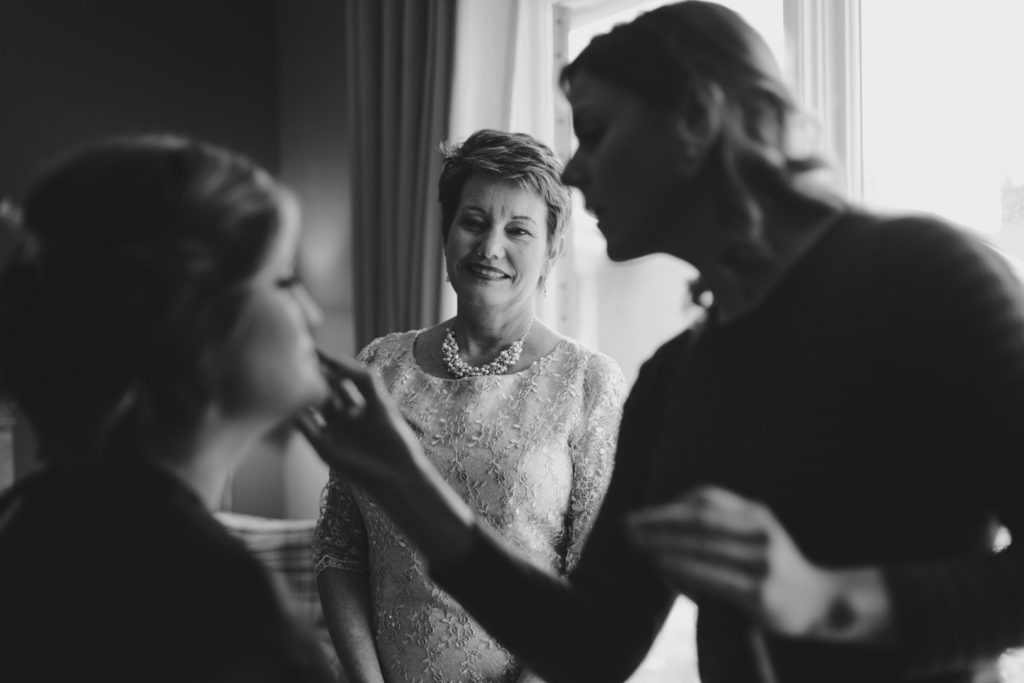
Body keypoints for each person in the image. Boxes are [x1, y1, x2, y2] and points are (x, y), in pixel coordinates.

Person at [297, 3, 1024, 682]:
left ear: (695, 120)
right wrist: (405, 481)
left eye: (598, 131)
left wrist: (830, 599)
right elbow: (592, 647)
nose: (575, 172)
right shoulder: (679, 377)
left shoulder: (929, 277)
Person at [0, 135, 337, 682]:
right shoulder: (217, 607)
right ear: (196, 324)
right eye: (282, 280)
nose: (313, 312)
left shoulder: (32, 525)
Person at [311, 128, 627, 683]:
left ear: (551, 248)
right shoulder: (381, 365)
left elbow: (594, 585)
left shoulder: (588, 383)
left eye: (518, 230)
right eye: (474, 222)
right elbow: (340, 551)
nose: (490, 248)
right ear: (446, 232)